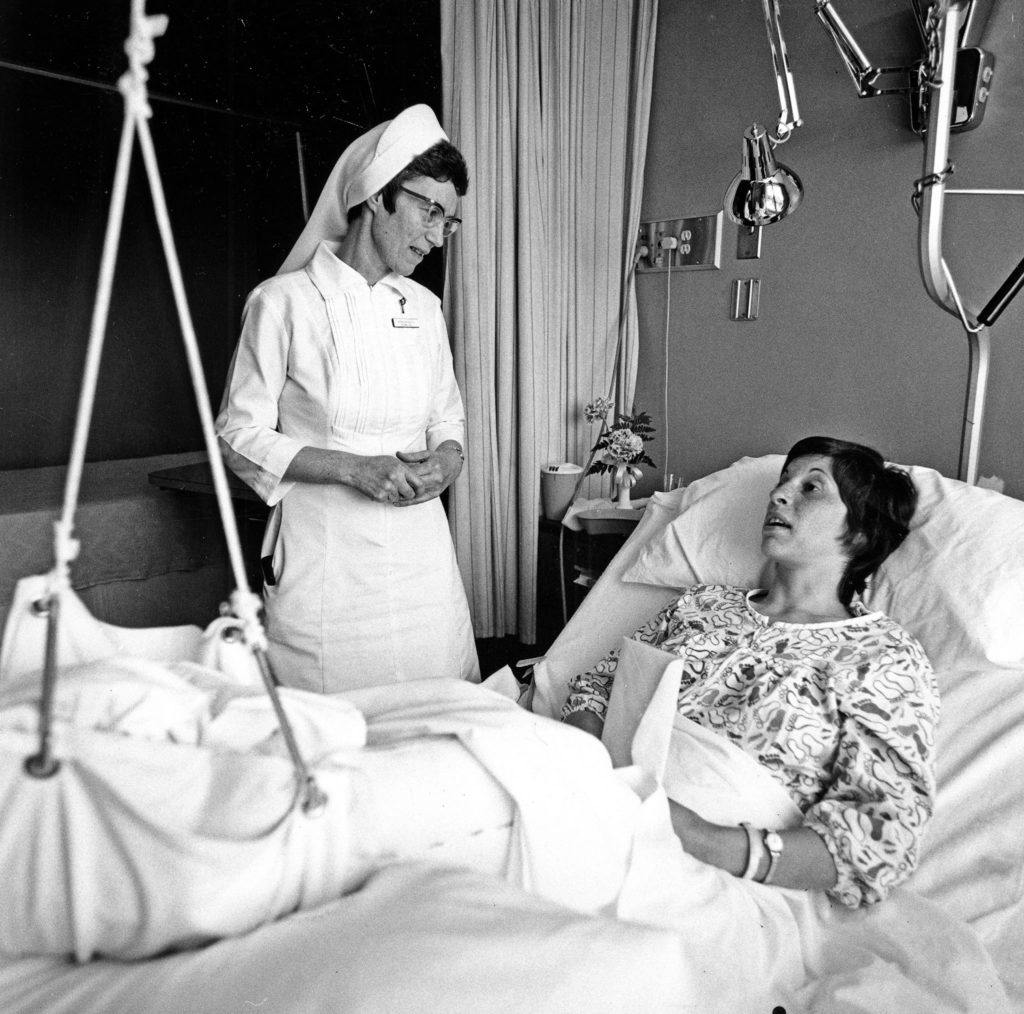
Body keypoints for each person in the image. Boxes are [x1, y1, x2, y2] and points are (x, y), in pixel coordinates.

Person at [562, 436, 938, 909]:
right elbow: (595, 687)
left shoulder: (881, 656)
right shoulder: (702, 604)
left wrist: (701, 837)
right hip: (596, 799)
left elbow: (883, 834)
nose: (779, 495)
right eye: (784, 482)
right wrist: (596, 774)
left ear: (861, 532)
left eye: (811, 488)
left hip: (720, 871)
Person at [215, 104, 479, 693]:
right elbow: (238, 435)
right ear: (377, 194)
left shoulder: (425, 310)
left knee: (436, 718)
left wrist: (447, 460)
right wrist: (354, 470)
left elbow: (447, 417)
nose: (438, 237)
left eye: (449, 221)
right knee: (333, 733)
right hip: (326, 569)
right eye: (429, 211)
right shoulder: (282, 303)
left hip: (421, 567)